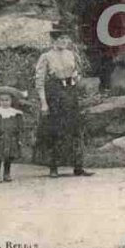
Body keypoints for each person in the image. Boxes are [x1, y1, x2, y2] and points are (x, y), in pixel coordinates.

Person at [35, 22, 93, 178]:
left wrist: (76, 78)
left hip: (70, 92)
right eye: (60, 38)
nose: (63, 41)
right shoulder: (46, 57)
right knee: (55, 129)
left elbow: (77, 72)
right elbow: (39, 81)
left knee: (74, 129)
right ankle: (53, 167)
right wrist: (44, 103)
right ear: (53, 40)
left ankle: (78, 166)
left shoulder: (71, 54)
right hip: (54, 93)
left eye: (66, 38)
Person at [0, 86, 26, 183]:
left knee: (9, 156)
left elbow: (20, 126)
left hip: (11, 138)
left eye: (7, 100)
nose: (4, 102)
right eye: (2, 100)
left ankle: (7, 173)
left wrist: (19, 136)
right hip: (0, 137)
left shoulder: (16, 113)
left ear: (11, 101)